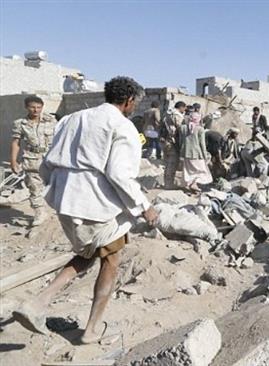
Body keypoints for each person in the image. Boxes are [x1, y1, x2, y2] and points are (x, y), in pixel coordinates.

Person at [12, 76, 158, 343]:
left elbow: (47, 162)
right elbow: (119, 174)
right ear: (128, 101)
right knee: (111, 260)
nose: (134, 106)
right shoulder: (122, 127)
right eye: (135, 102)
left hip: (65, 200)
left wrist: (58, 189)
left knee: (88, 253)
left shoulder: (72, 119)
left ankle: (36, 304)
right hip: (96, 204)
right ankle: (90, 331)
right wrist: (144, 207)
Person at [10, 95, 58, 226]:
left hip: (51, 158)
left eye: (39, 107)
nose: (36, 110)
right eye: (32, 107)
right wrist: (13, 161)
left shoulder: (51, 120)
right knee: (34, 186)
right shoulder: (20, 124)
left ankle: (60, 210)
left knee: (57, 185)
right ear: (27, 107)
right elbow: (16, 142)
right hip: (32, 158)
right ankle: (39, 213)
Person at [179, 111, 212, 192]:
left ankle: (187, 185)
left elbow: (180, 141)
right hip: (196, 154)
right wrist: (205, 156)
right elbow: (202, 144)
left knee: (188, 170)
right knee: (202, 170)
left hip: (186, 153)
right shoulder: (200, 129)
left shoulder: (183, 127)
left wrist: (181, 151)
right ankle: (194, 183)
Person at [161, 101, 186, 188]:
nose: (184, 110)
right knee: (172, 163)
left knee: (167, 163)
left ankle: (166, 183)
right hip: (173, 142)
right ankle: (169, 184)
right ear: (181, 107)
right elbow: (180, 129)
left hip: (165, 141)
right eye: (184, 108)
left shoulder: (167, 114)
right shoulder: (177, 115)